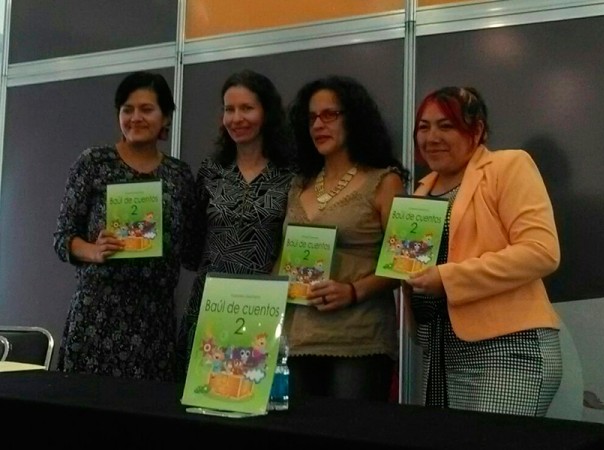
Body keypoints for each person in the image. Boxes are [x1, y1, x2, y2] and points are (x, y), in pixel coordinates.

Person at [404, 86, 562, 415]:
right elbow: (410, 269)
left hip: (509, 350)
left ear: (476, 131)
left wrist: (447, 278)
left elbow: (541, 251)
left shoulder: (508, 166)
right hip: (440, 352)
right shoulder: (420, 192)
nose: (431, 137)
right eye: (423, 127)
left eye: (446, 126)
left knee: (490, 440)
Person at [53, 71, 198, 381]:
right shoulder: (93, 163)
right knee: (88, 405)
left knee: (146, 408)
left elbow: (191, 250)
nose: (135, 118)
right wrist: (93, 250)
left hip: (155, 319)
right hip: (98, 313)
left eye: (146, 109)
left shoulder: (179, 175)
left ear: (165, 117)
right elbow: (62, 238)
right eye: (127, 109)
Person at [283, 75, 408, 401]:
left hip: (359, 340)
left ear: (354, 119)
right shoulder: (299, 185)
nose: (318, 125)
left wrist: (353, 291)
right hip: (299, 341)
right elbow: (287, 262)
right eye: (312, 118)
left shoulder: (385, 181)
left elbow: (408, 262)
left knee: (349, 429)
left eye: (329, 115)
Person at [177, 70, 296, 371]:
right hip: (211, 303)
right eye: (229, 109)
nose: (236, 118)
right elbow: (192, 244)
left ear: (267, 112)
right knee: (205, 389)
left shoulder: (291, 173)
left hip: (266, 305)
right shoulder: (211, 170)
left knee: (254, 387)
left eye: (247, 108)